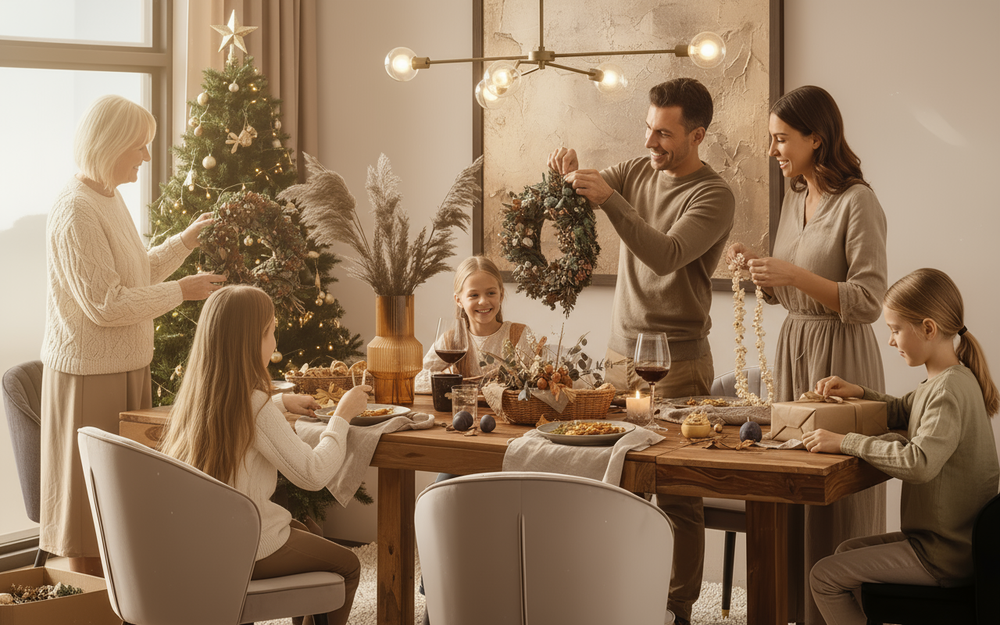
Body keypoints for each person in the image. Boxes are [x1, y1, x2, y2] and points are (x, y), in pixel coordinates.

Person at [549, 77, 736, 625]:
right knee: (620, 477)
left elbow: (667, 254)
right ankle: (620, 595)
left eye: (664, 134)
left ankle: (674, 607)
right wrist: (563, 175)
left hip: (677, 365)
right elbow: (573, 204)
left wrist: (611, 202)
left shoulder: (714, 194)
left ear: (697, 134)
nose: (651, 143)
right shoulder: (635, 171)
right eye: (648, 130)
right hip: (621, 359)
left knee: (677, 490)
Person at [40, 94, 225, 575]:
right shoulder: (75, 210)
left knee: (119, 510)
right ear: (111, 145)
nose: (146, 157)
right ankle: (85, 608)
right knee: (88, 516)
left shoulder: (107, 196)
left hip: (127, 366)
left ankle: (124, 604)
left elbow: (136, 272)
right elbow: (106, 304)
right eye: (140, 146)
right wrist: (181, 293)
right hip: (90, 376)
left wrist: (184, 242)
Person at [727, 84, 888, 623]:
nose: (774, 149)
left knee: (837, 493)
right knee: (790, 481)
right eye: (772, 139)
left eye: (782, 139)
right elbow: (786, 291)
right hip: (794, 345)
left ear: (816, 138)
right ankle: (795, 610)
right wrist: (761, 270)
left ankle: (842, 608)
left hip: (840, 356)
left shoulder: (858, 202)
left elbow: (868, 300)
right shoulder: (795, 198)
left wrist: (794, 273)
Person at [158, 285, 366, 625]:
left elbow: (242, 416)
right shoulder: (255, 405)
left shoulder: (199, 396)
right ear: (250, 341)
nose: (275, 343)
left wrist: (280, 402)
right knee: (348, 566)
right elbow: (313, 474)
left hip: (208, 542)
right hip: (246, 547)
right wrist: (342, 417)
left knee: (308, 532)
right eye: (270, 331)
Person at [803, 268, 999, 624]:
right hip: (951, 543)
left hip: (943, 554)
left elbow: (919, 462)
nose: (890, 341)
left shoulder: (948, 391)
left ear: (928, 328)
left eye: (895, 330)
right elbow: (901, 410)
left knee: (824, 576)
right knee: (846, 552)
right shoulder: (947, 379)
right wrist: (859, 392)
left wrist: (845, 441)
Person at [415, 255, 534, 393]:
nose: (483, 301)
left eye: (491, 293)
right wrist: (447, 377)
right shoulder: (451, 340)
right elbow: (417, 381)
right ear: (459, 300)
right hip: (461, 413)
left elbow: (534, 384)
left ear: (501, 295)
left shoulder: (519, 335)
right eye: (474, 295)